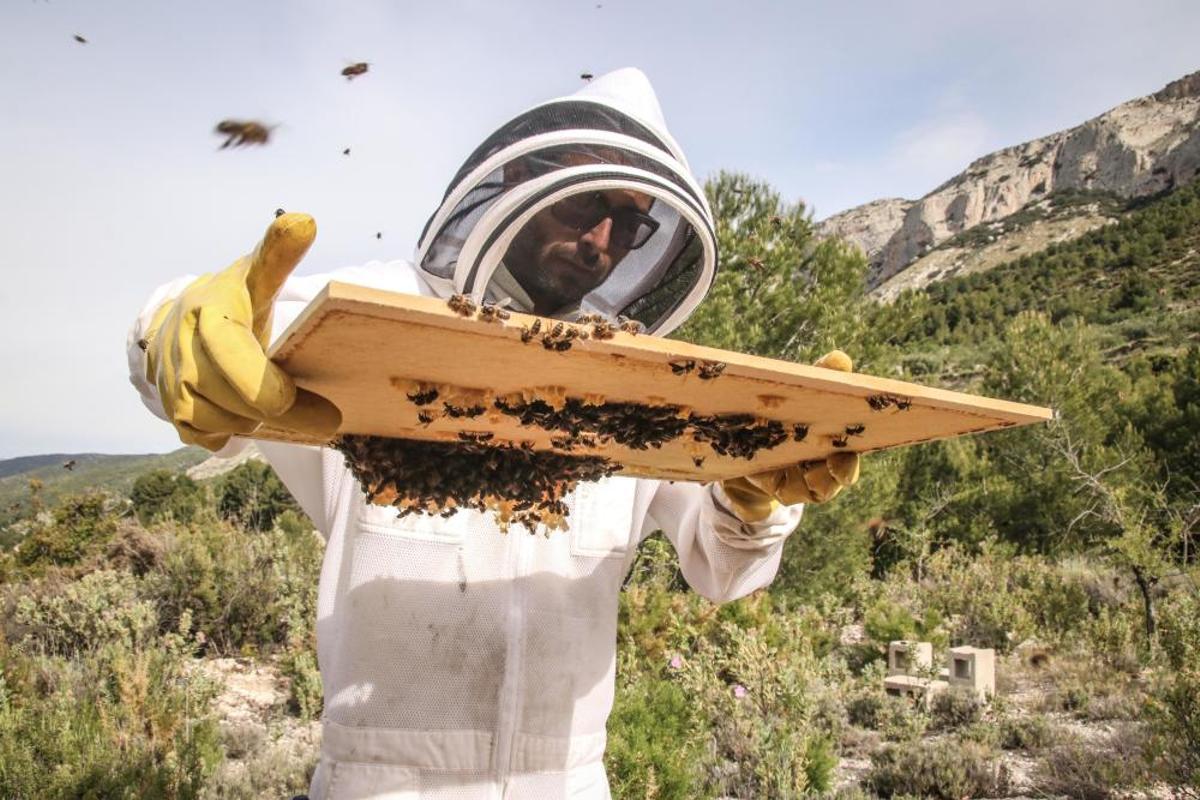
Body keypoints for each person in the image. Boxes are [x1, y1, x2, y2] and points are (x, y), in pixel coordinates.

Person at [126, 68, 860, 800]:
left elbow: (724, 572)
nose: (601, 241)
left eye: (629, 225)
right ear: (519, 176)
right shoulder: (381, 309)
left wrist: (753, 498)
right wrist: (169, 331)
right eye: (585, 203)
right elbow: (208, 333)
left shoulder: (632, 381)